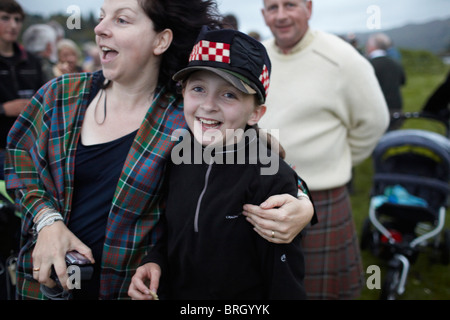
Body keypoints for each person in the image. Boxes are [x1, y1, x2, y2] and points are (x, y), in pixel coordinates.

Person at [5, 0, 314, 300]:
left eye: (121, 19)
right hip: (44, 287)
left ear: (161, 39)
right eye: (102, 16)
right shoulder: (60, 95)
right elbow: (18, 160)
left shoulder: (186, 116)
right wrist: (46, 220)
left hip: (127, 287)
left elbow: (252, 154)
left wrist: (302, 203)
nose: (99, 28)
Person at [128, 27, 312, 300]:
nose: (209, 105)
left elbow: (284, 281)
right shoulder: (176, 157)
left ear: (255, 113)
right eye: (198, 88)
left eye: (229, 95)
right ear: (184, 93)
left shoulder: (271, 177)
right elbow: (173, 234)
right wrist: (154, 261)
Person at [260, 0, 390, 299]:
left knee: (321, 293)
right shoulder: (258, 55)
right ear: (263, 14)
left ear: (308, 7)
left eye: (290, 5)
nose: (280, 15)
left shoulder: (343, 58)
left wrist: (338, 161)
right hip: (262, 195)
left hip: (322, 200)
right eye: (272, 7)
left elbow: (374, 121)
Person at [0, 0, 44, 181]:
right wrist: (4, 109)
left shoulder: (33, 61)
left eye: (17, 20)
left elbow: (45, 99)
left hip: (31, 151)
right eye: (5, 18)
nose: (13, 25)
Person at [366, 33, 406, 131]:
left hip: (376, 111)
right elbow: (403, 81)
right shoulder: (395, 63)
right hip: (396, 109)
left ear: (372, 47)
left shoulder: (367, 65)